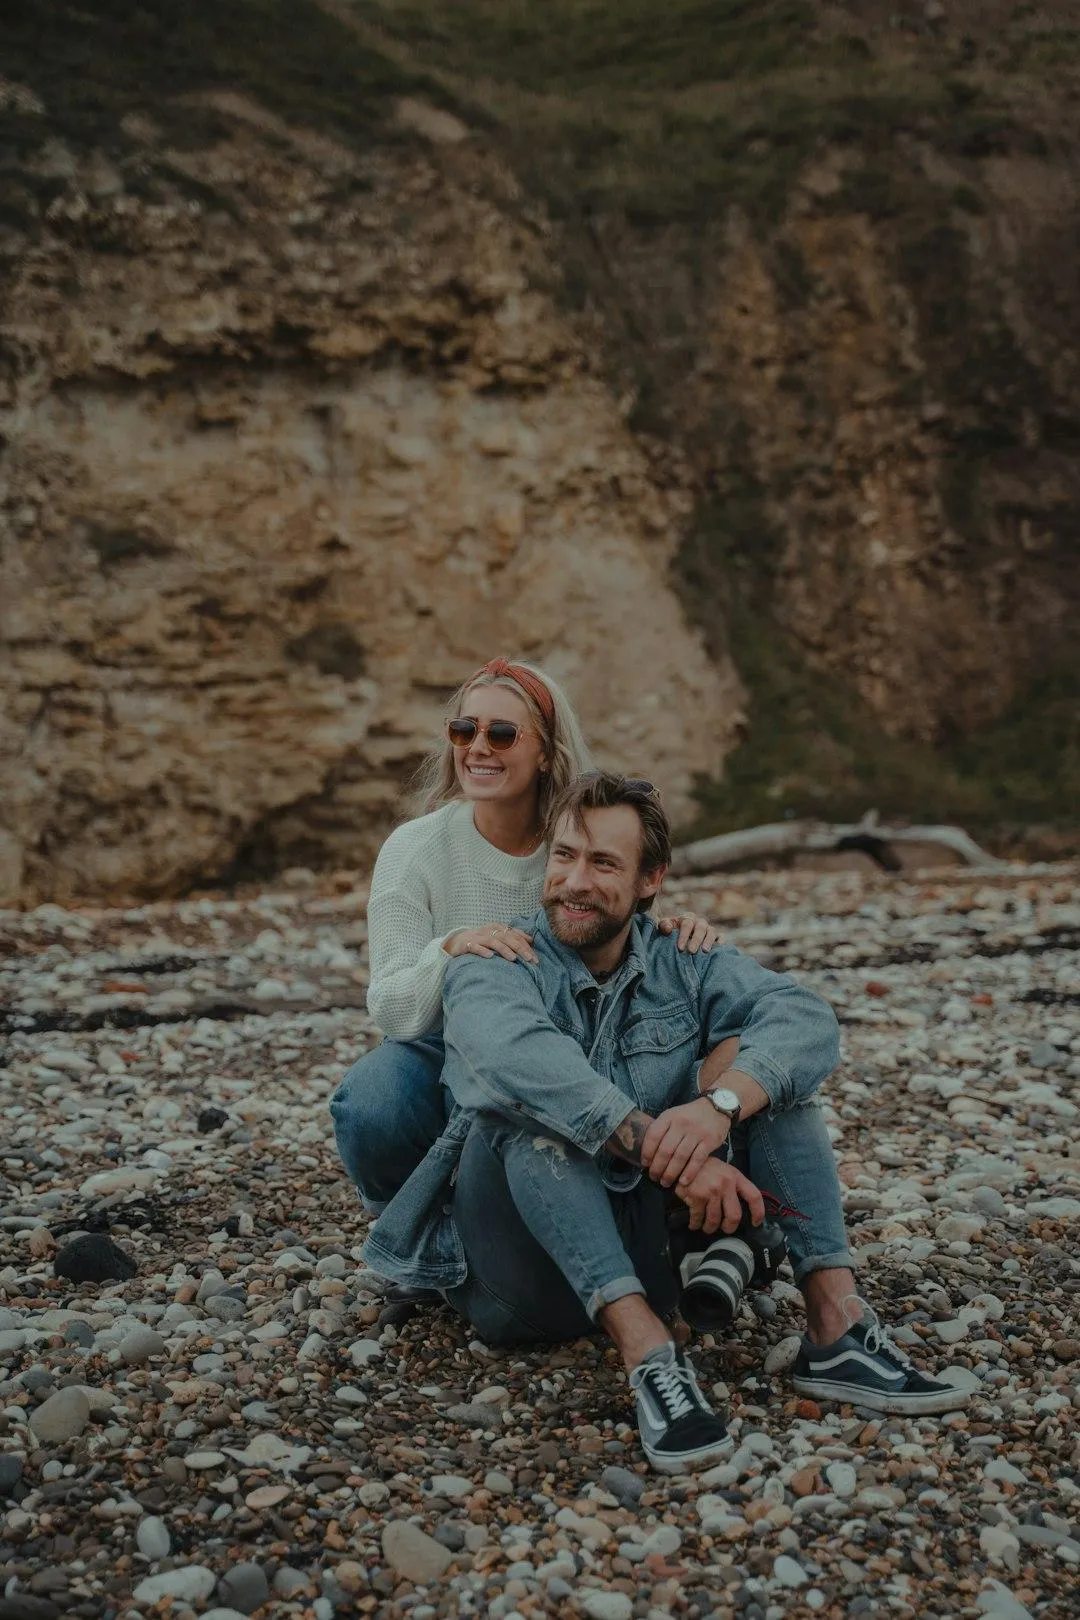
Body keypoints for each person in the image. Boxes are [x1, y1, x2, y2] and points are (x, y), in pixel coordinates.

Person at [363, 771, 969, 1473]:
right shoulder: (497, 960)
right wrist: (667, 1146)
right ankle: (650, 1356)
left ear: (651, 879)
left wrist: (721, 1107)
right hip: (522, 1279)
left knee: (775, 1084)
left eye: (604, 863)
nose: (574, 882)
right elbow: (519, 1063)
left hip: (646, 1241)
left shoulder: (683, 954)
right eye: (564, 857)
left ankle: (837, 1328)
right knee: (529, 1120)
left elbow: (806, 1018)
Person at [331, 657, 718, 1220]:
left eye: (503, 733)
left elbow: (617, 919)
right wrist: (450, 949)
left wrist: (672, 927)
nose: (478, 747)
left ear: (546, 751)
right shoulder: (413, 849)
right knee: (372, 1100)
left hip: (564, 1044)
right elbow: (389, 1007)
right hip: (439, 1050)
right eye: (464, 730)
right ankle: (410, 1225)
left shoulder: (573, 848)